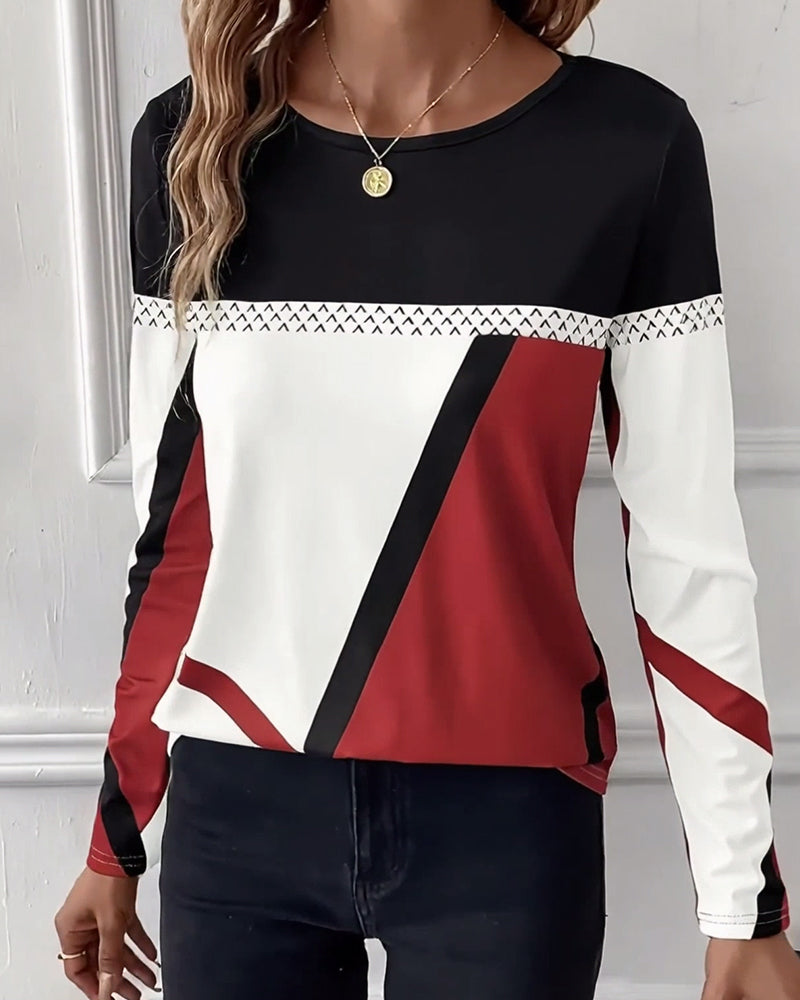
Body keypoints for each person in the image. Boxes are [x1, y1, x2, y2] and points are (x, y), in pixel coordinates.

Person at [54, 1, 800, 998]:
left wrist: (743, 904)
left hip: (505, 829)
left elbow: (686, 551)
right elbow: (175, 539)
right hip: (238, 818)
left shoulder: (626, 143)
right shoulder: (196, 135)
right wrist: (116, 828)